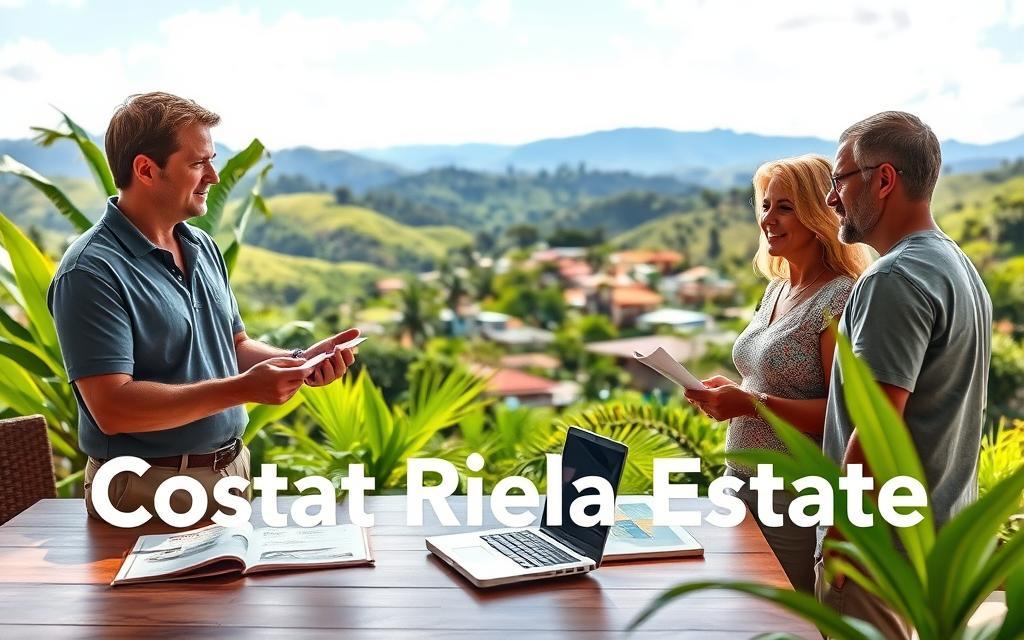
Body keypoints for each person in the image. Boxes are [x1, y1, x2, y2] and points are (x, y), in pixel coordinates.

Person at [47, 92, 361, 522]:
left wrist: (298, 361)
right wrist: (245, 389)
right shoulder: (90, 271)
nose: (213, 175)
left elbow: (232, 345)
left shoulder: (201, 246)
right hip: (145, 489)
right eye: (197, 163)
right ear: (146, 169)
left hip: (230, 474)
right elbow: (113, 408)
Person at [815, 111, 992, 639]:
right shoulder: (958, 268)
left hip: (881, 551)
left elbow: (877, 431)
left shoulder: (893, 279)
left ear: (884, 179)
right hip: (942, 544)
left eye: (839, 180)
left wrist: (840, 538)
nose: (831, 200)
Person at [684, 154, 870, 593]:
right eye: (766, 205)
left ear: (819, 214)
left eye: (785, 207)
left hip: (791, 497)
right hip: (740, 484)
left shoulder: (838, 300)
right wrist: (734, 393)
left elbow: (844, 416)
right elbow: (766, 378)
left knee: (786, 619)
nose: (769, 218)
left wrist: (750, 405)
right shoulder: (777, 287)